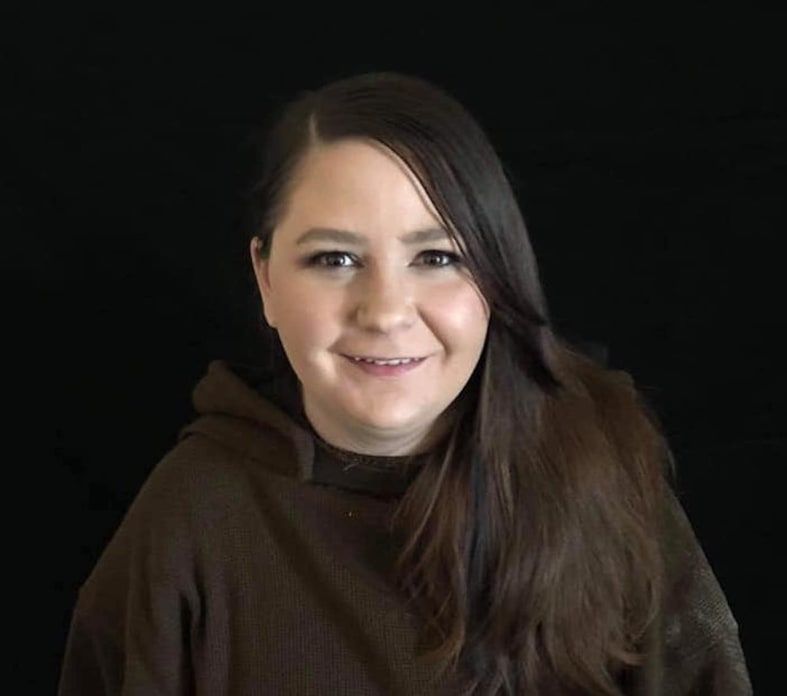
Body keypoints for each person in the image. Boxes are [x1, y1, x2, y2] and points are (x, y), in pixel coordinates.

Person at [58, 71, 752, 695]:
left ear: (496, 276)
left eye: (437, 257)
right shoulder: (191, 517)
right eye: (334, 258)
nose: (386, 312)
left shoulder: (604, 470)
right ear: (265, 279)